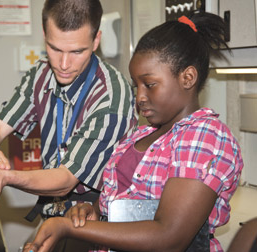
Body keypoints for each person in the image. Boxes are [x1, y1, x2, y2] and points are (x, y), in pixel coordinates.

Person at [23, 12, 244, 252]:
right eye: (135, 85)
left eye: (149, 85)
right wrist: (93, 212)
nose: (139, 97)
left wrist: (69, 227)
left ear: (188, 78)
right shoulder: (140, 135)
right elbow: (124, 200)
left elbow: (169, 237)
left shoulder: (204, 136)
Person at [0, 0, 136, 250]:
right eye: (54, 48)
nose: (63, 64)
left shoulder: (112, 97)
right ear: (44, 34)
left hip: (98, 217)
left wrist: (4, 177)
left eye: (77, 51)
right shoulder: (40, 75)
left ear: (96, 40)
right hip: (54, 210)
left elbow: (66, 179)